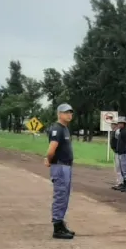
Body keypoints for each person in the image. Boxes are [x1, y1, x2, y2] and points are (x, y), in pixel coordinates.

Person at [45, 103, 75, 240]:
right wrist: (49, 159)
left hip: (66, 166)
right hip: (60, 166)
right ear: (59, 114)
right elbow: (51, 150)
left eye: (70, 112)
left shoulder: (65, 129)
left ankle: (61, 223)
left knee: (65, 196)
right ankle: (57, 227)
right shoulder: (57, 129)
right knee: (60, 195)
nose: (69, 114)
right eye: (66, 112)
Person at [110, 117, 126, 190]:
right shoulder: (114, 131)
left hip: (119, 151)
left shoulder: (118, 132)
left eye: (114, 124)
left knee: (119, 168)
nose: (112, 125)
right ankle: (119, 182)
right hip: (116, 151)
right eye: (112, 124)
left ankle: (121, 182)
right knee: (117, 168)